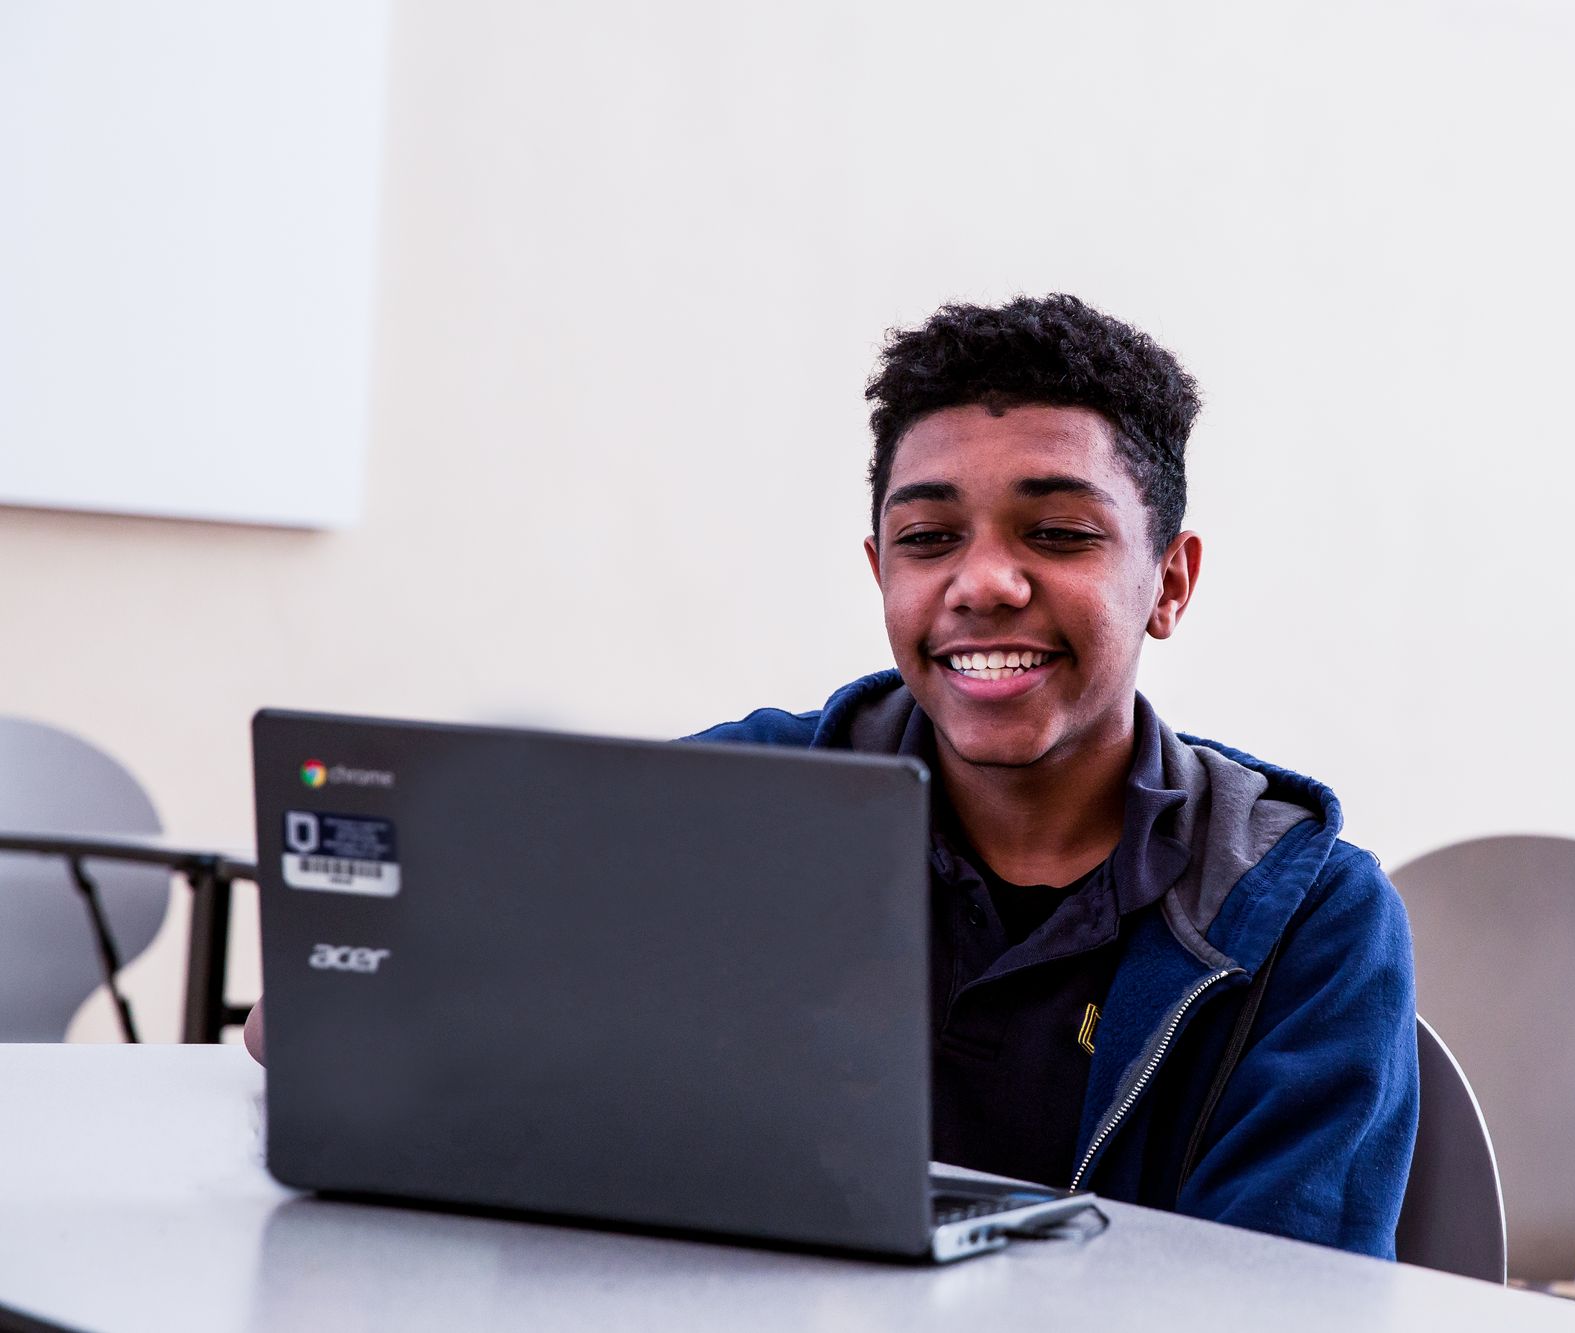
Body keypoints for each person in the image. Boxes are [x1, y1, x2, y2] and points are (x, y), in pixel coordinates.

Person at [249, 293, 1419, 1259]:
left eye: (1057, 534)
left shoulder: (1302, 916)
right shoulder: (735, 802)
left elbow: (1283, 1301)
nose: (984, 583)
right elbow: (388, 1019)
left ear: (1168, 582)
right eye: (927, 538)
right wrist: (364, 1010)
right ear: (879, 571)